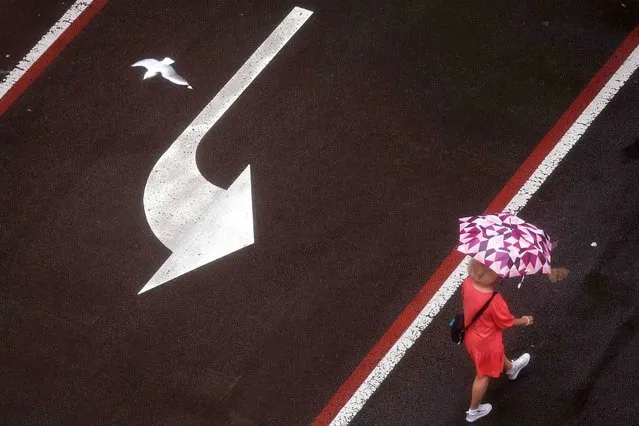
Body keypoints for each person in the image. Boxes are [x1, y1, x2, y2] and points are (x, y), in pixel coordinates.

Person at [463, 259, 534, 423]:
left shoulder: (467, 283)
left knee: (494, 358)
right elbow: (506, 322)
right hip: (487, 343)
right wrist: (525, 320)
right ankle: (473, 411)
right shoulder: (494, 300)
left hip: (471, 336)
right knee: (483, 375)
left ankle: (511, 369)